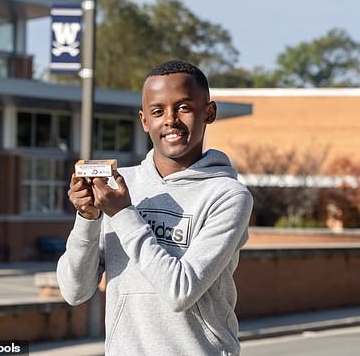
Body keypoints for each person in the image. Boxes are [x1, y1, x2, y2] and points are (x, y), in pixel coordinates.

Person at [57, 60, 253, 355]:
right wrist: (88, 218)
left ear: (208, 113)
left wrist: (123, 214)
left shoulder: (228, 196)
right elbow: (74, 291)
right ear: (144, 120)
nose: (170, 120)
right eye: (158, 111)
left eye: (184, 107)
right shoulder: (122, 186)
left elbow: (180, 291)